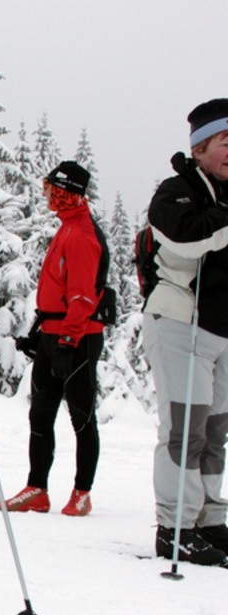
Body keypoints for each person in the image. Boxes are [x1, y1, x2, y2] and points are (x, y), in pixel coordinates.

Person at [142, 98, 228, 567]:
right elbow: (186, 237)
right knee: (185, 431)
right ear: (198, 148)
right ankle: (174, 527)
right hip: (180, 323)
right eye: (224, 141)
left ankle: (209, 518)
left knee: (215, 432)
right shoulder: (177, 191)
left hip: (222, 331)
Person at [3, 162, 108, 517]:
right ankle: (37, 489)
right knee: (40, 415)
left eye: (52, 190)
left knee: (81, 416)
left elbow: (82, 297)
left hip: (78, 337)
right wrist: (39, 332)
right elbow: (56, 291)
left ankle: (82, 492)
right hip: (53, 333)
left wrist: (67, 341)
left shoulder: (82, 235)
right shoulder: (66, 227)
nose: (47, 195)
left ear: (66, 192)